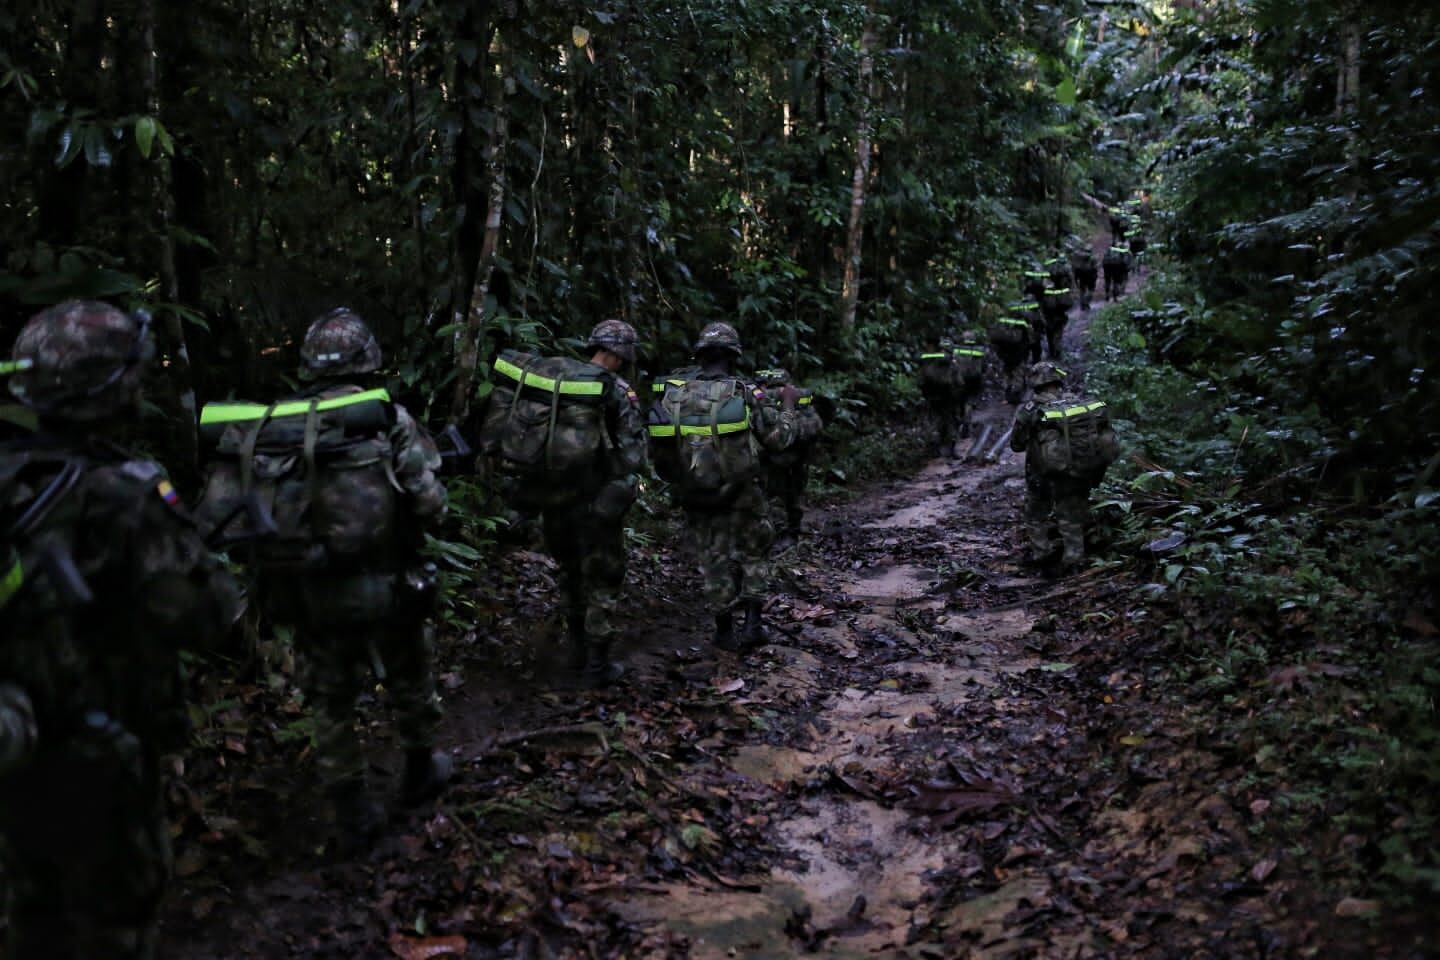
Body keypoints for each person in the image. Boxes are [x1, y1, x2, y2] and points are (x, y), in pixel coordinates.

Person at [0, 301, 239, 959]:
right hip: (95, 746)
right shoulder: (122, 492)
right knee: (114, 917)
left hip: (17, 737)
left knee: (32, 908)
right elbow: (207, 615)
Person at [195, 308, 449, 849]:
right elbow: (430, 506)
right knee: (409, 670)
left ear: (307, 364)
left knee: (330, 697)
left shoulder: (267, 427)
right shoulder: (384, 418)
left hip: (305, 588)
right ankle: (420, 769)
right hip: (387, 585)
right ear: (369, 361)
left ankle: (351, 808)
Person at [475, 320, 647, 687]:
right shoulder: (614, 390)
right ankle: (597, 665)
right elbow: (633, 455)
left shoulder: (552, 378)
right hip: (594, 501)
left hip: (548, 496)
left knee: (569, 572)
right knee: (602, 578)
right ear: (621, 355)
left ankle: (575, 651)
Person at [651, 323, 797, 650]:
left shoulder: (673, 394)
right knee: (754, 551)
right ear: (733, 356)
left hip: (697, 492)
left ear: (699, 356)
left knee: (712, 557)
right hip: (743, 491)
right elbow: (779, 440)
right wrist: (788, 408)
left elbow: (660, 452)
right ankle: (753, 625)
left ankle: (723, 630)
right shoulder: (744, 392)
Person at [1010, 361, 1120, 573]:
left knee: (1035, 514)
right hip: (1077, 470)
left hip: (1042, 473)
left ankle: (1042, 553)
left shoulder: (1031, 409)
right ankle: (1074, 558)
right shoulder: (1078, 404)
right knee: (1070, 514)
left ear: (1035, 383)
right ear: (1058, 380)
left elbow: (1016, 444)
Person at [754, 368, 824, 548]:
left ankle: (788, 534)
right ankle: (784, 533)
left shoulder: (796, 402)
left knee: (786, 498)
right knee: (781, 498)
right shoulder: (757, 403)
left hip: (787, 461)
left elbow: (814, 426)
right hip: (778, 460)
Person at [988, 303, 1036, 404]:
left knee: (1007, 374)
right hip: (1019, 353)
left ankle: (1008, 396)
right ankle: (1016, 396)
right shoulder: (1022, 322)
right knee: (1018, 374)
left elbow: (993, 339)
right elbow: (1031, 339)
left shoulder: (1001, 321)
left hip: (1003, 354)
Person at [1069, 244, 1098, 312]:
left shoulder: (1078, 257)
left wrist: (1076, 279)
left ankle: (1082, 305)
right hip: (1090, 276)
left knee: (1082, 290)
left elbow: (1075, 268)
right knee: (1091, 290)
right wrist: (1095, 276)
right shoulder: (1092, 257)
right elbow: (1095, 268)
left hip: (1081, 276)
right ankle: (1086, 302)